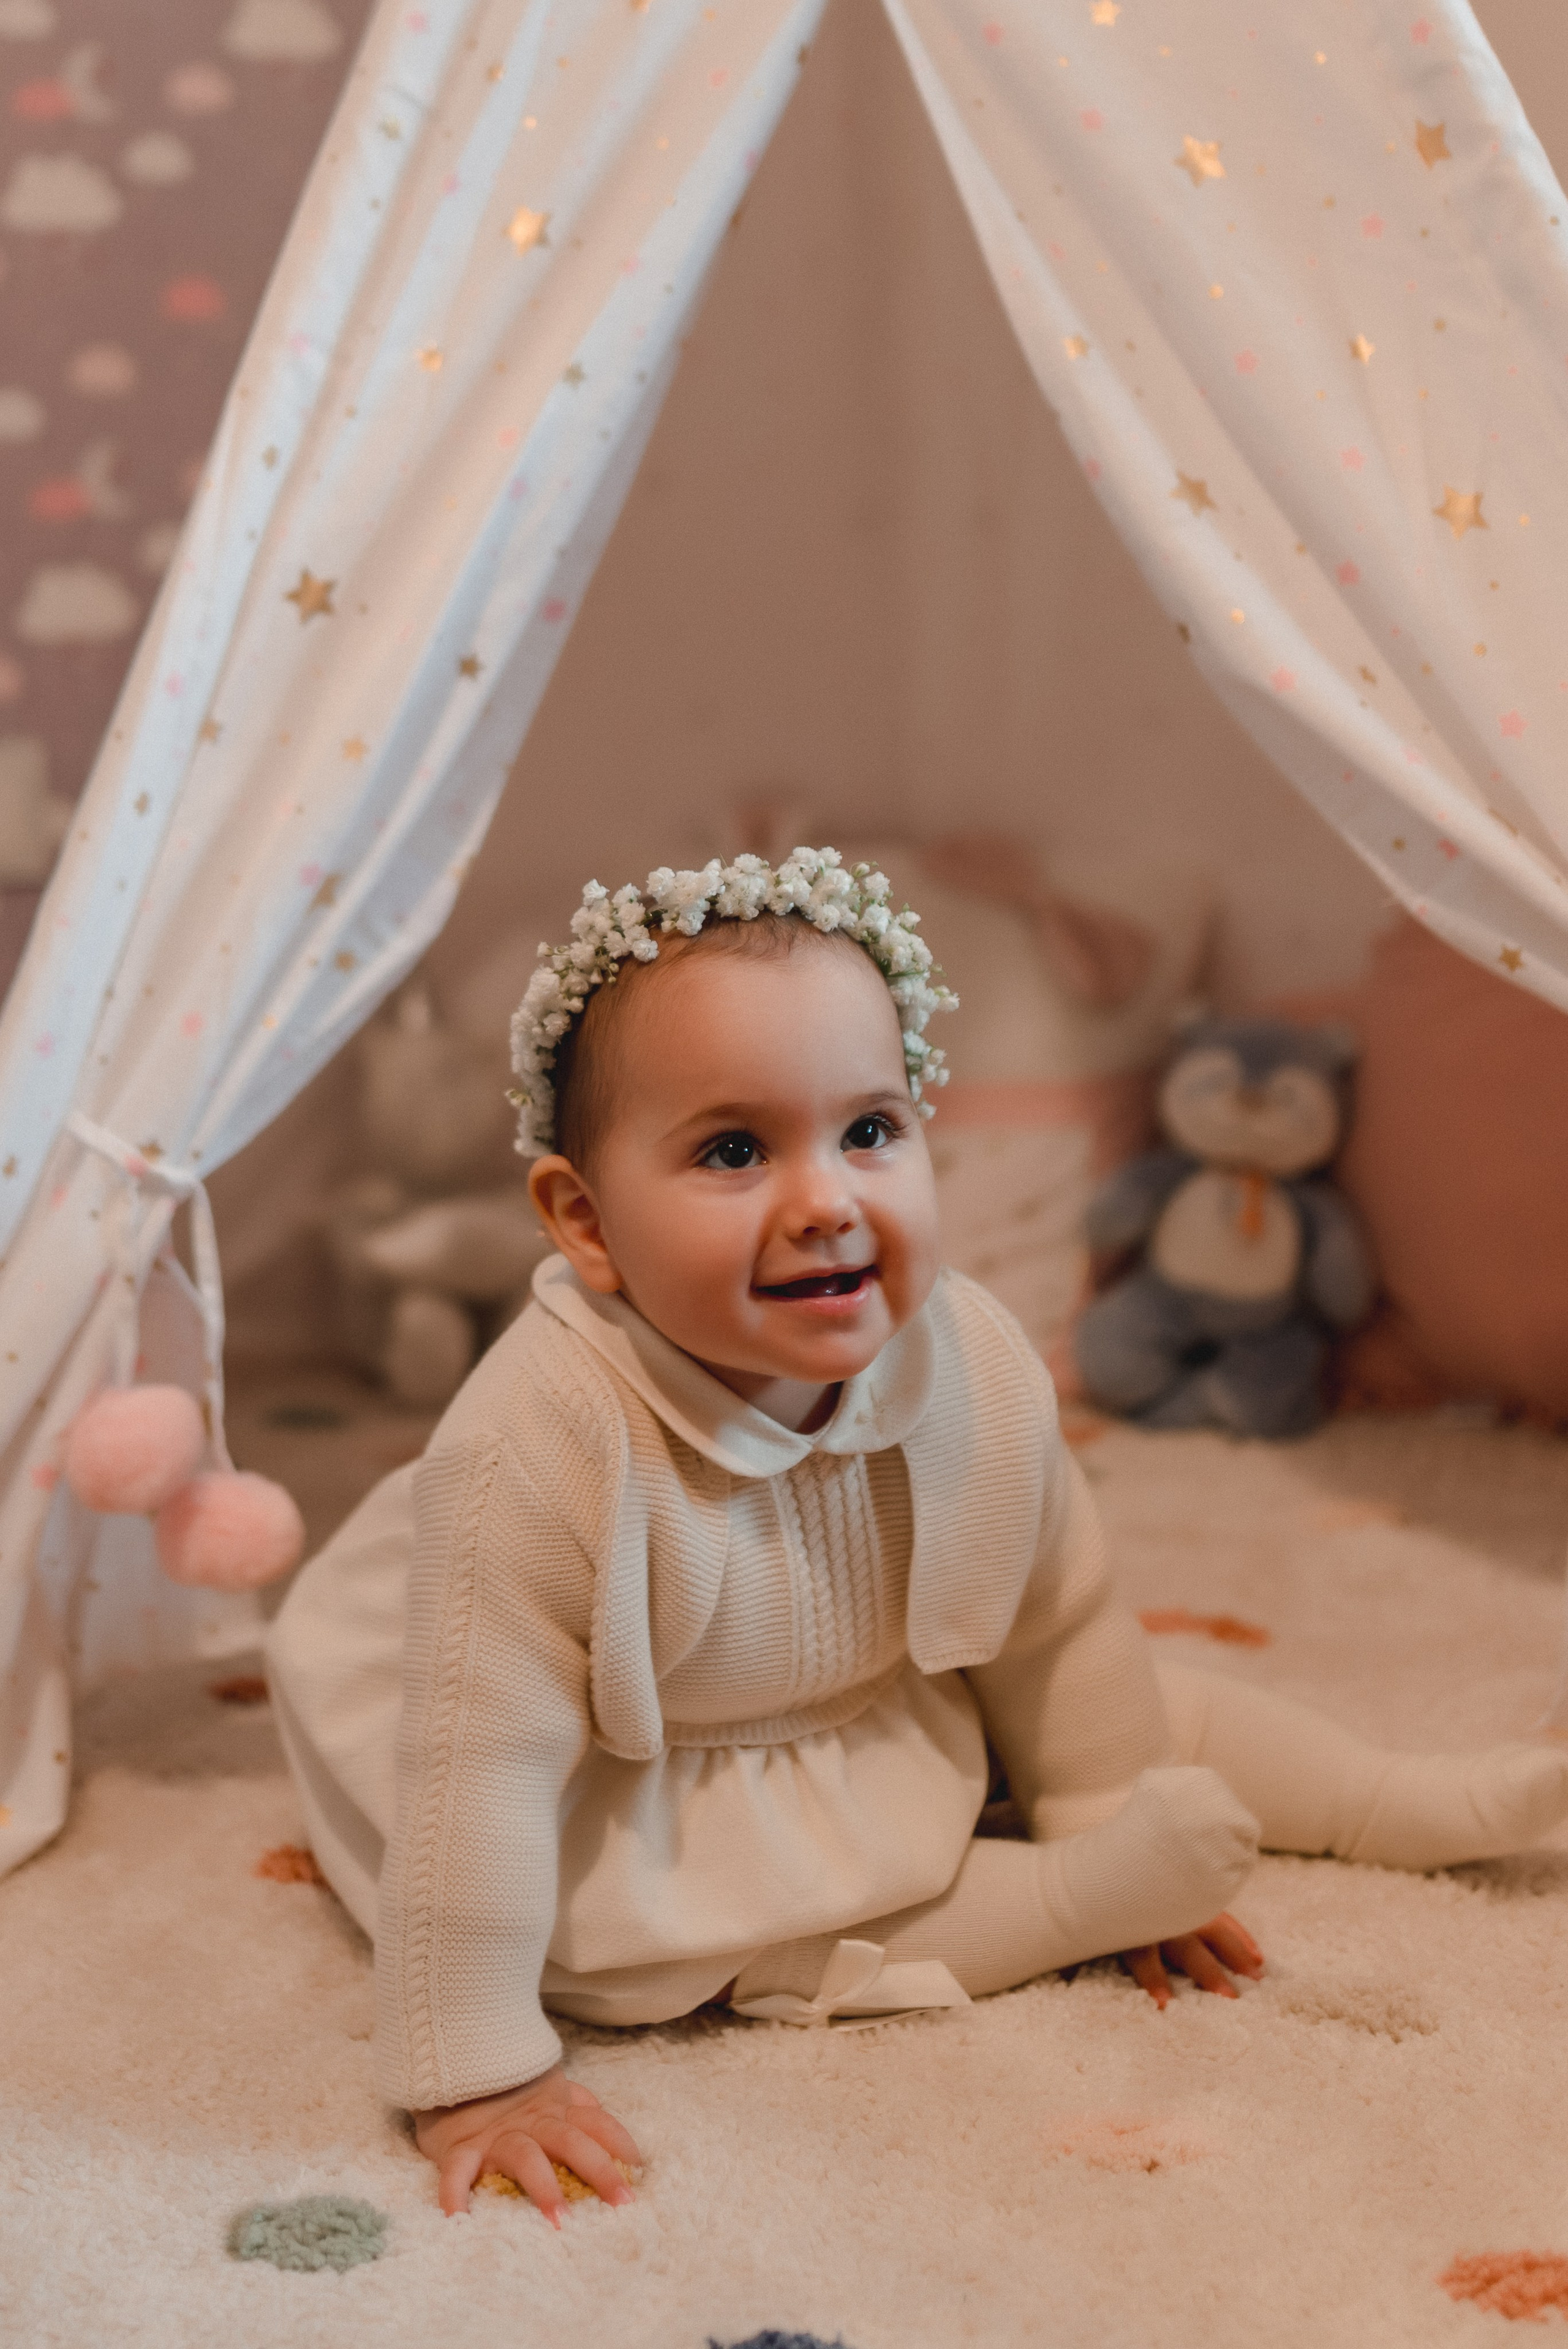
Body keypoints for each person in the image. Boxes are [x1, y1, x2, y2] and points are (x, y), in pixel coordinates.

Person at [266, 849, 1568, 2226]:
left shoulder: (967, 1359)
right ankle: (1075, 1900)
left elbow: (1054, 1615)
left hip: (863, 1684)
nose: (826, 1197)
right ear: (584, 1223)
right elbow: (477, 1779)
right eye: (731, 1149)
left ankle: (1390, 1800)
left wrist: (1099, 1787)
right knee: (772, 1939)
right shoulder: (532, 1454)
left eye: (870, 1131)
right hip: (606, 1774)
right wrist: (475, 2071)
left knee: (1126, 1704)